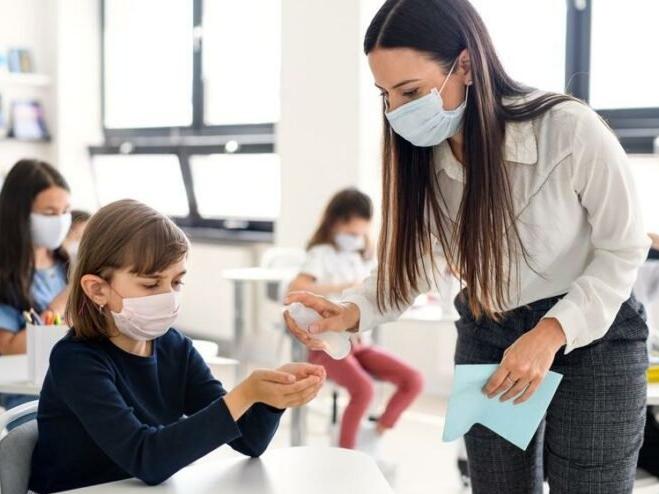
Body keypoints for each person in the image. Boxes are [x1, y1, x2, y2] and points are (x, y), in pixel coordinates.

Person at [284, 1, 650, 492]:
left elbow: (623, 247)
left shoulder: (568, 128)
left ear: (467, 65)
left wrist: (550, 333)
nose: (396, 111)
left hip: (594, 335)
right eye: (385, 94)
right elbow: (413, 266)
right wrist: (350, 311)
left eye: (410, 91)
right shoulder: (426, 157)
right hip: (490, 328)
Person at [29, 199, 326, 493]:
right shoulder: (75, 360)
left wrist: (271, 396)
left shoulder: (174, 347)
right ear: (97, 289)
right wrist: (244, 394)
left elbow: (250, 441)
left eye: (176, 282)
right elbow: (147, 459)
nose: (168, 296)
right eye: (151, 284)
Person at [288, 188, 423, 455]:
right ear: (335, 223)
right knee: (364, 390)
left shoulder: (364, 256)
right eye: (351, 233)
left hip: (360, 344)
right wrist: (344, 287)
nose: (355, 239)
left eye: (360, 234)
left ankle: (373, 435)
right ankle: (345, 455)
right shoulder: (321, 254)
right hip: (327, 348)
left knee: (413, 380)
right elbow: (296, 288)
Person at [0, 159, 71, 411]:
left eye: (66, 211)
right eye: (50, 213)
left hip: (74, 376)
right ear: (19, 214)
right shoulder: (6, 273)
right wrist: (58, 307)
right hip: (29, 395)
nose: (60, 221)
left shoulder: (64, 262)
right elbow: (8, 348)